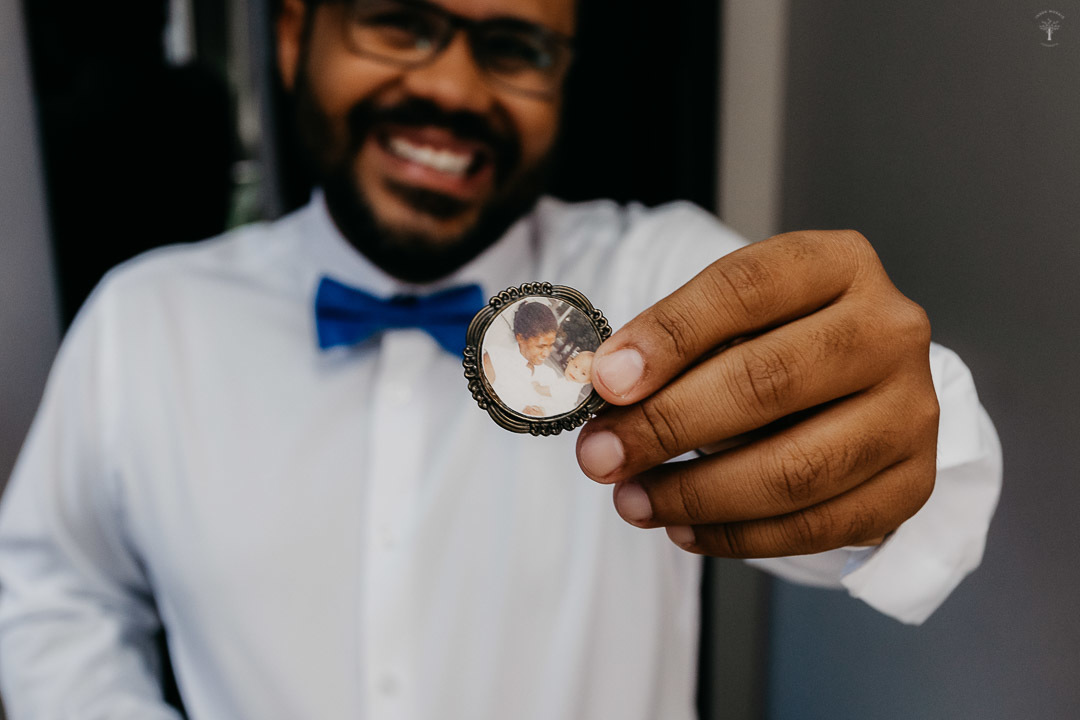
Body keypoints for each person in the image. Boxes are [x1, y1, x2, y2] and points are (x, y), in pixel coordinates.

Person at [0, 0, 1002, 718]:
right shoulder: (144, 323)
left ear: (562, 79)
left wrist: (896, 432)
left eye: (514, 46)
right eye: (400, 20)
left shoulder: (657, 277)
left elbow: (921, 453)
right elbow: (47, 598)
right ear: (300, 30)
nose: (447, 85)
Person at [483, 301, 563, 416]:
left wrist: (544, 413)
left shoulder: (550, 375)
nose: (546, 353)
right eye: (540, 346)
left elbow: (558, 409)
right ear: (520, 338)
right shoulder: (494, 360)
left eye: (551, 345)